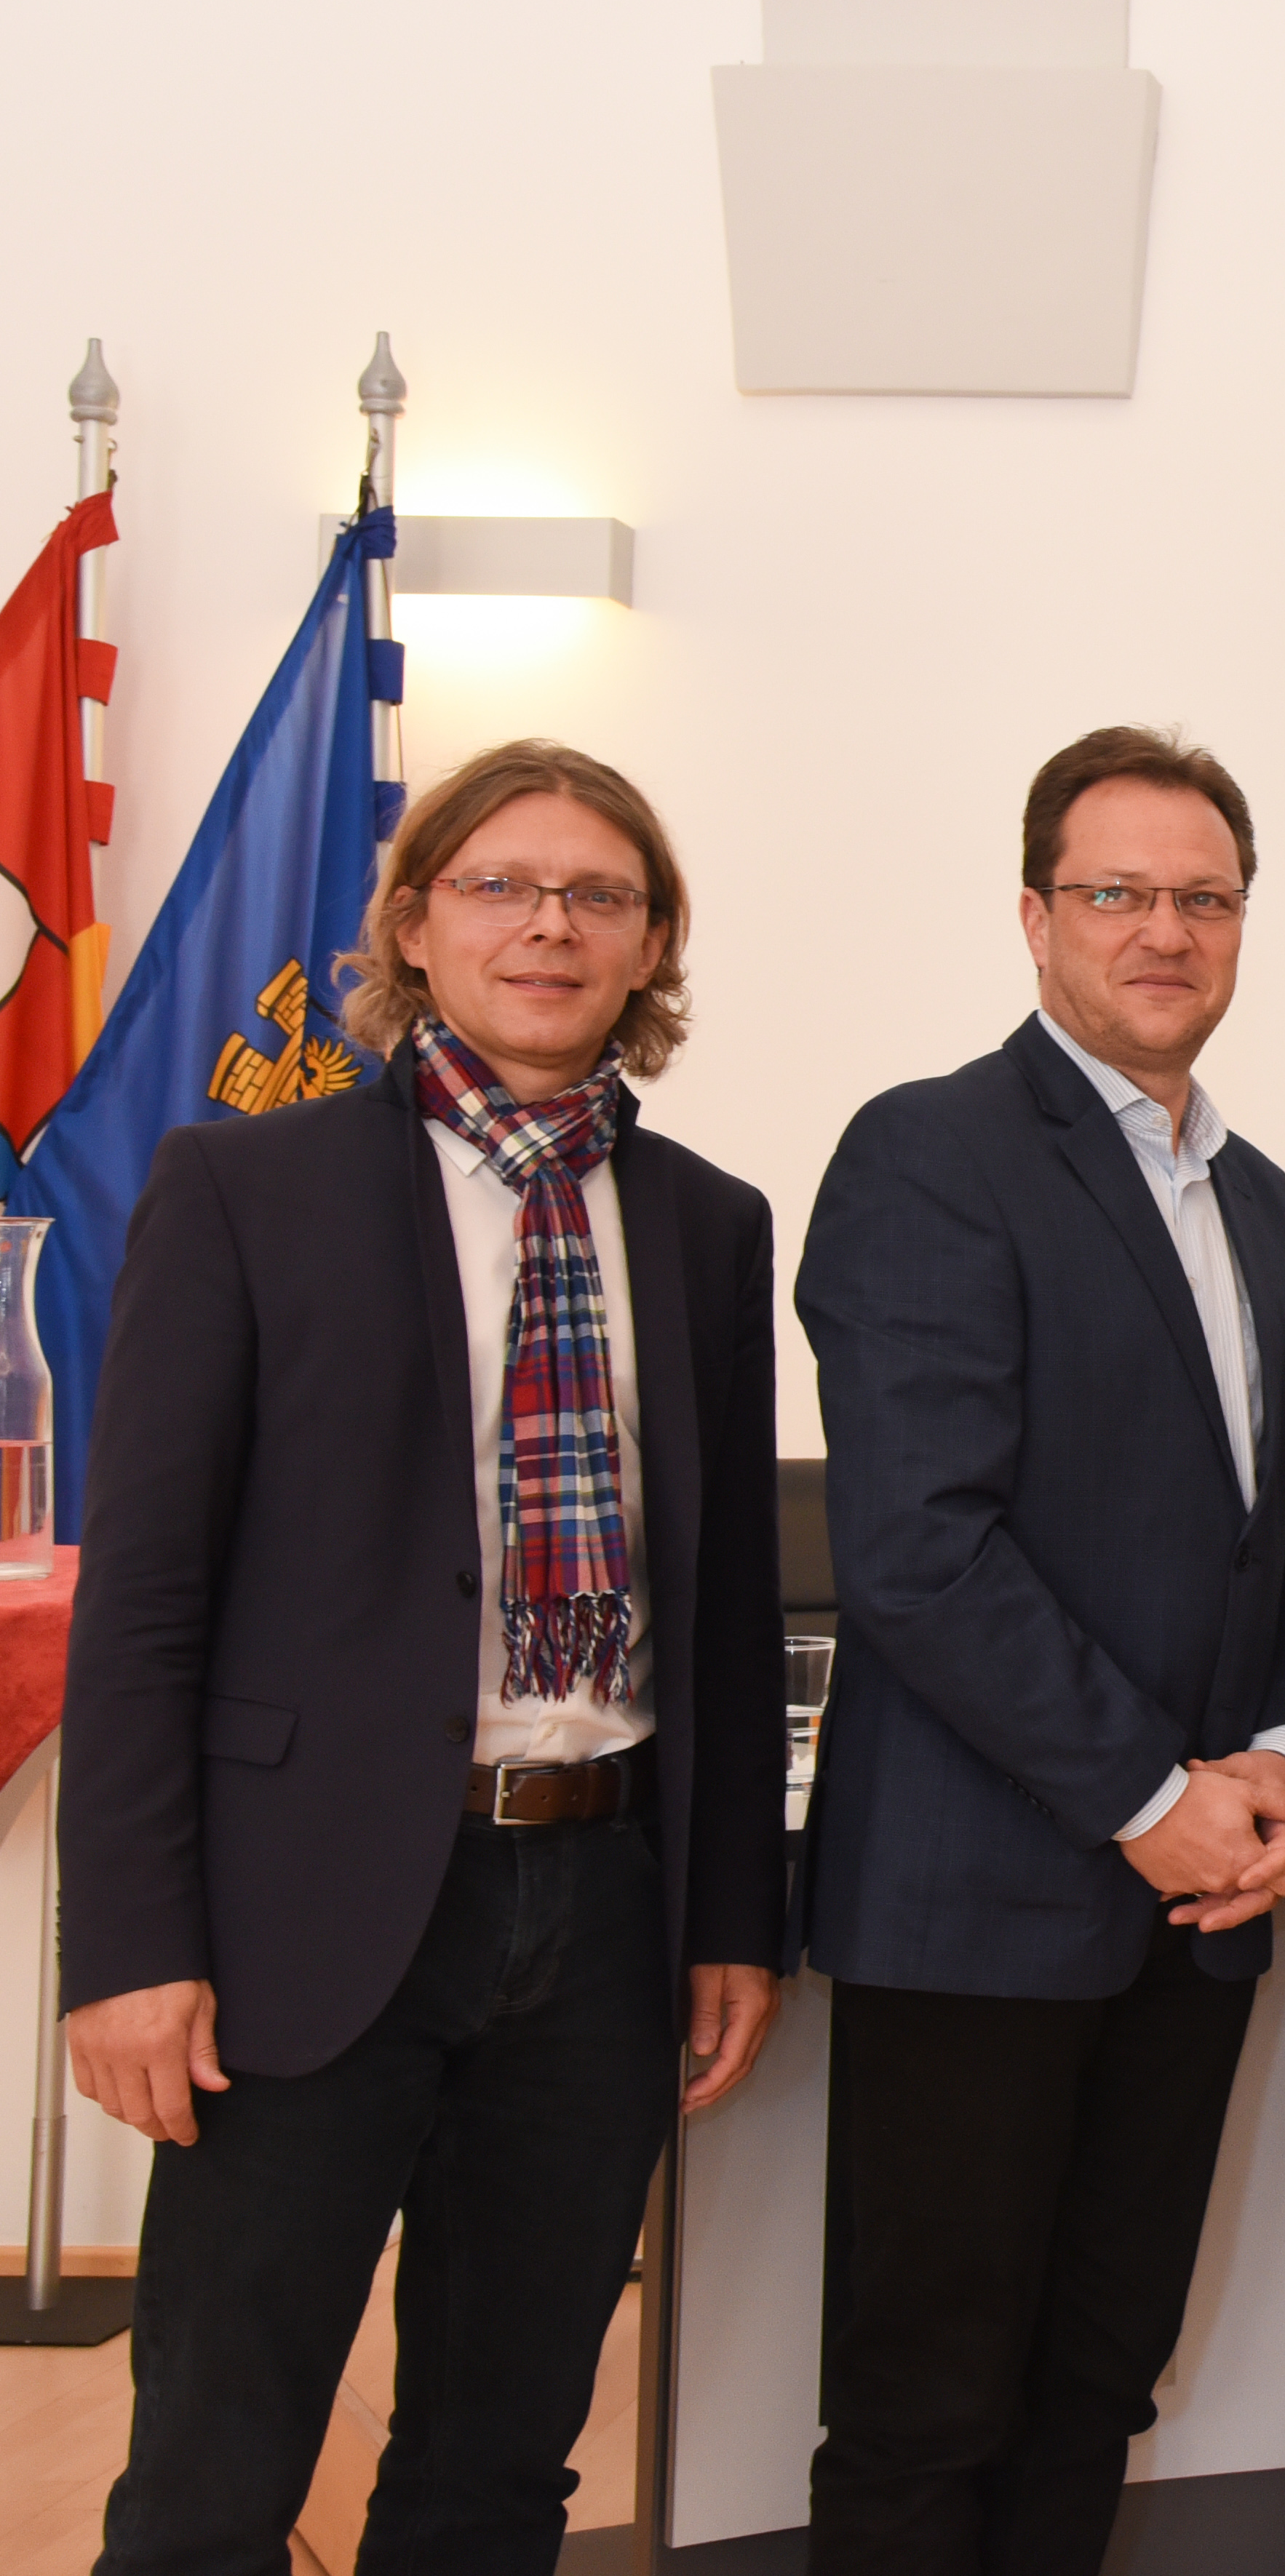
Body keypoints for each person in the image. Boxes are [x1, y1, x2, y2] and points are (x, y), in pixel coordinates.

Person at [62, 740, 787, 2575]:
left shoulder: (705, 1223)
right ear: (412, 920)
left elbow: (720, 1602)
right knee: (218, 2472)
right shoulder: (246, 1189)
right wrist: (131, 1948)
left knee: (497, 2469)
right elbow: (144, 1596)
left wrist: (725, 1916)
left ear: (649, 946)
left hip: (600, 1906)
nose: (551, 922)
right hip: (308, 1915)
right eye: (503, 884)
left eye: (600, 894)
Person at [792, 725, 1285, 2575]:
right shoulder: (933, 1153)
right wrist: (1147, 1791)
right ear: (1036, 916)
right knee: (925, 2405)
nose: (1163, 929)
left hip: (1191, 1920)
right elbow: (920, 1548)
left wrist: (1278, 1755)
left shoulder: (1256, 1200)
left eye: (1203, 896)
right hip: (980, 1905)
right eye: (1118, 891)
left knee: (1099, 2381)